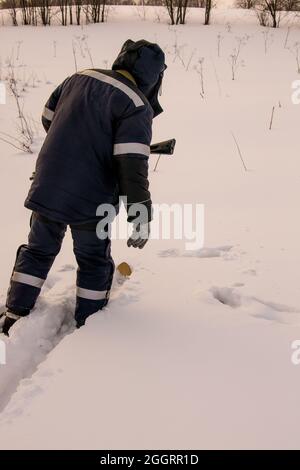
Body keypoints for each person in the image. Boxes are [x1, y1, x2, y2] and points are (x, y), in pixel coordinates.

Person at [0, 39, 166, 336]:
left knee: (37, 250)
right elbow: (132, 168)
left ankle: (15, 311)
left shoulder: (80, 77)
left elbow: (49, 118)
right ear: (153, 76)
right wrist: (140, 215)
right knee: (92, 259)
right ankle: (89, 324)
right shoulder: (136, 105)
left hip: (48, 184)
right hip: (92, 200)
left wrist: (77, 141)